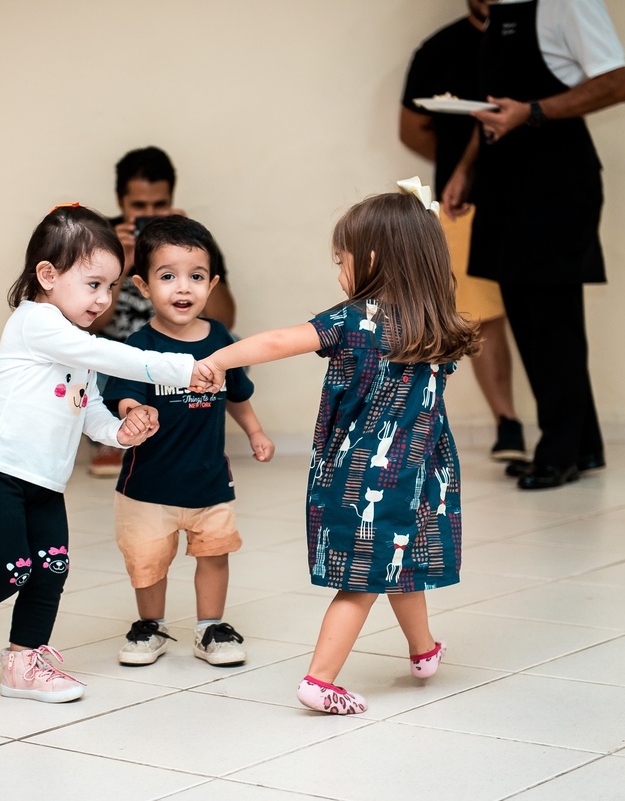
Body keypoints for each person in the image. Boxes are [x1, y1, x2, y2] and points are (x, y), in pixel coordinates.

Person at [199, 187, 480, 714]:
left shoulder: (354, 319)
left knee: (370, 577)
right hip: (420, 474)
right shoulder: (436, 323)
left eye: (341, 260)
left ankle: (339, 674)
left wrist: (218, 360)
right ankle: (380, 663)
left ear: (372, 259)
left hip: (364, 471)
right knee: (395, 562)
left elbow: (279, 341)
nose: (339, 273)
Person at [0, 205, 217, 703]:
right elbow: (110, 356)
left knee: (51, 569)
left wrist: (121, 432)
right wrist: (181, 368)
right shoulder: (36, 323)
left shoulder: (76, 344)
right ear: (47, 275)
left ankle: (24, 663)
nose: (103, 299)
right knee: (10, 567)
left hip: (44, 482)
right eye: (93, 284)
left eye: (111, 287)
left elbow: (88, 409)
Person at [443, 0, 625, 490]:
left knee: (552, 319)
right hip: (504, 182)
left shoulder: (567, 3)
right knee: (528, 317)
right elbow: (494, 110)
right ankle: (583, 444)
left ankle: (559, 452)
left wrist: (534, 112)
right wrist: (466, 169)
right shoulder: (500, 13)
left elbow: (616, 83)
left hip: (556, 182)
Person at [103, 216, 275, 668]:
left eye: (196, 277)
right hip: (148, 485)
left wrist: (255, 431)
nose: (183, 288)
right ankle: (151, 626)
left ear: (211, 284)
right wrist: (132, 412)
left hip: (208, 479)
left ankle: (210, 627)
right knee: (148, 561)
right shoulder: (138, 345)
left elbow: (236, 395)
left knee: (215, 554)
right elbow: (123, 395)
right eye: (167, 277)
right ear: (143, 286)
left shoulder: (220, 340)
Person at [400, 0, 527, 465]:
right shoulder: (440, 49)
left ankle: (568, 429)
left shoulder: (531, 39)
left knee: (539, 309)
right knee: (480, 313)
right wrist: (464, 164)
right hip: (463, 202)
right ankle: (507, 421)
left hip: (532, 193)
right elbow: (411, 129)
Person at [86, 146, 238, 477]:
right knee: (85, 361)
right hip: (117, 357)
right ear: (120, 200)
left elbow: (224, 321)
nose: (150, 214)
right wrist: (117, 264)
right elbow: (89, 327)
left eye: (159, 205)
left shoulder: (189, 241)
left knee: (232, 346)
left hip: (176, 349)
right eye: (139, 206)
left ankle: (192, 432)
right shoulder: (102, 240)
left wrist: (188, 254)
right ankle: (111, 436)